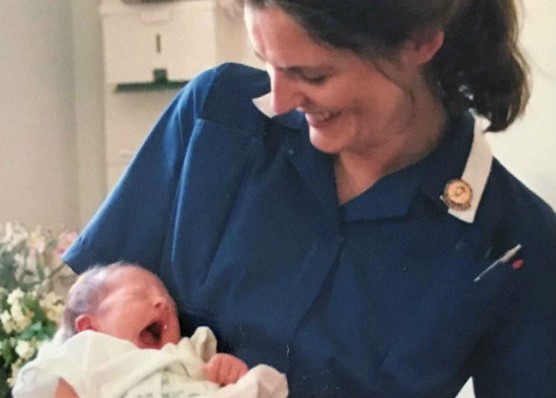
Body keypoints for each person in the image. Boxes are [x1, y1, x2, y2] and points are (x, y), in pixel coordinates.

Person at [62, 0, 556, 396]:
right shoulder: (217, 116)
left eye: (312, 76)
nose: (278, 101)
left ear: (419, 42)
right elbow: (83, 347)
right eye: (268, 63)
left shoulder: (511, 246)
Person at [12, 263, 288, 398]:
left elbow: (221, 380)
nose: (163, 303)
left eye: (169, 301)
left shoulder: (188, 350)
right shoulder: (91, 352)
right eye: (141, 295)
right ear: (89, 326)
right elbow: (45, 386)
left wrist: (228, 370)